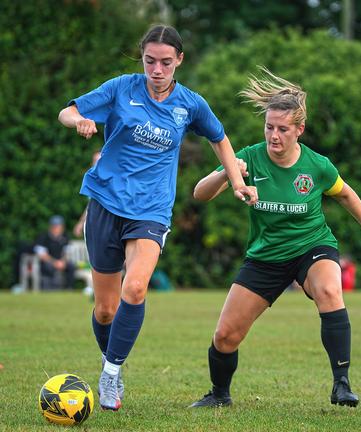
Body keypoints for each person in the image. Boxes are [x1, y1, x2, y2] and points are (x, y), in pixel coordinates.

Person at [58, 25, 257, 411]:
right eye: (150, 61)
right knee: (106, 309)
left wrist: (236, 182)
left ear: (179, 60)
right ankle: (110, 358)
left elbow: (219, 138)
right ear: (142, 58)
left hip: (150, 210)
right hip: (105, 202)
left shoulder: (190, 104)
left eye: (166, 62)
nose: (157, 70)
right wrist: (78, 121)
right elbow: (68, 110)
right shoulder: (121, 88)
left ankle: (111, 373)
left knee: (135, 288)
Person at [189, 67, 361, 409]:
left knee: (329, 290)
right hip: (265, 257)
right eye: (269, 127)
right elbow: (200, 193)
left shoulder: (317, 166)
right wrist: (230, 175)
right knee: (225, 336)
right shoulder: (249, 157)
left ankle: (341, 384)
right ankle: (219, 395)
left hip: (311, 247)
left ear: (299, 130)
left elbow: (346, 194)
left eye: (283, 129)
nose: (274, 136)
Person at [34, 215, 76, 290]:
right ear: (51, 227)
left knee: (71, 266)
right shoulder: (43, 237)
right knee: (48, 267)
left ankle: (69, 288)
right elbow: (42, 254)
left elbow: (67, 252)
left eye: (59, 226)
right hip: (48, 262)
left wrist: (63, 261)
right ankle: (51, 289)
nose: (57, 228)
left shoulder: (65, 237)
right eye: (55, 226)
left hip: (61, 261)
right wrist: (54, 262)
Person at [73, 150, 101, 238]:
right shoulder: (93, 182)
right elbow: (90, 204)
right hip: (97, 224)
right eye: (95, 161)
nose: (96, 164)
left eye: (99, 161)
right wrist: (81, 223)